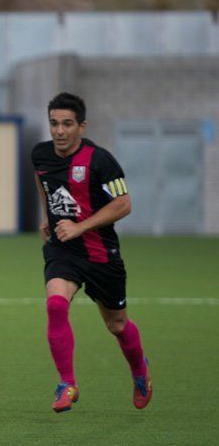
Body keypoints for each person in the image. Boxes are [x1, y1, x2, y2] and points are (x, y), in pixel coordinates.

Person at [32, 92, 152, 413]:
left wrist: (80, 227)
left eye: (67, 124)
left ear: (81, 126)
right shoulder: (41, 155)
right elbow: (42, 180)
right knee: (56, 305)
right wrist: (47, 214)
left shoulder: (101, 160)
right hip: (63, 251)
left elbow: (124, 204)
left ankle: (140, 371)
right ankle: (67, 383)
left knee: (117, 325)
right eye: (54, 124)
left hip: (101, 254)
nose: (59, 131)